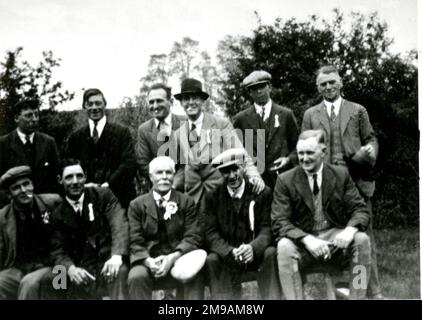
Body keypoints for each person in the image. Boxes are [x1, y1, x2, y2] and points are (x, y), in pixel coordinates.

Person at [301, 65, 382, 298]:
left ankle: (371, 291)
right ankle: (341, 291)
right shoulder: (310, 115)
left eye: (332, 82)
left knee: (364, 239)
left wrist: (370, 151)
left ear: (341, 82)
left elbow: (371, 138)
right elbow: (304, 147)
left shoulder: (358, 111)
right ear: (318, 88)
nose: (328, 87)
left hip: (357, 184)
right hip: (327, 188)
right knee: (336, 237)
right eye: (323, 84)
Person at [272, 130, 371, 300]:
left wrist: (349, 231)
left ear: (323, 152)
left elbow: (360, 209)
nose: (304, 158)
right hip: (304, 244)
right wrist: (306, 239)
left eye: (310, 152)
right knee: (284, 247)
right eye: (300, 153)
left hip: (336, 241)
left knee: (361, 240)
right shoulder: (285, 180)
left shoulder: (340, 175)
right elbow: (279, 220)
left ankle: (357, 296)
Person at [170, 78, 265, 206]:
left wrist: (254, 176)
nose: (190, 103)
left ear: (202, 100)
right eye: (186, 98)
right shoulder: (178, 134)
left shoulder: (221, 124)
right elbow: (180, 169)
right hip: (193, 201)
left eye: (195, 98)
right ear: (181, 103)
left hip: (220, 198)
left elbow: (240, 154)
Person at [203, 148, 281, 300]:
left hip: (255, 255)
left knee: (270, 253)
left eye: (235, 169)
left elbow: (267, 228)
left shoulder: (261, 192)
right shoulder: (213, 196)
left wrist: (253, 248)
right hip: (228, 257)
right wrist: (229, 252)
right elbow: (210, 232)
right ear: (220, 173)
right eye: (226, 172)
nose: (232, 176)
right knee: (212, 260)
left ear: (243, 167)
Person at [49, 159, 129, 299]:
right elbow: (57, 250)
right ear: (59, 180)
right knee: (58, 275)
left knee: (120, 271)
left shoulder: (102, 196)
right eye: (69, 177)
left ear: (85, 177)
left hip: (106, 262)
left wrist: (116, 256)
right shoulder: (57, 213)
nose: (75, 181)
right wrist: (71, 269)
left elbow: (118, 223)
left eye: (79, 176)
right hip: (79, 267)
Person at [127, 156, 205, 300]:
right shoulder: (136, 205)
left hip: (178, 258)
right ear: (151, 177)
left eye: (168, 173)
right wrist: (148, 262)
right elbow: (135, 241)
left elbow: (193, 236)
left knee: (195, 274)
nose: (164, 177)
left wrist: (172, 258)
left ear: (174, 175)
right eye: (159, 173)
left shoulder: (186, 202)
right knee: (136, 277)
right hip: (148, 261)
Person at [66, 88, 138, 208]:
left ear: (105, 104)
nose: (94, 108)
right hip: (85, 199)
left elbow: (129, 164)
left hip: (118, 199)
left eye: (98, 103)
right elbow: (69, 166)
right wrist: (84, 186)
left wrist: (108, 184)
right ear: (84, 106)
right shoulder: (76, 138)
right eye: (90, 104)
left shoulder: (122, 133)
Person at [0, 166, 61, 299]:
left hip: (54, 267)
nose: (23, 190)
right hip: (19, 268)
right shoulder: (3, 217)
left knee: (30, 284)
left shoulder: (53, 203)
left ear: (32, 185)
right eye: (16, 188)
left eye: (26, 184)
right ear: (9, 194)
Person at [233, 70, 299, 189]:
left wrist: (288, 159)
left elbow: (297, 146)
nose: (259, 91)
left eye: (262, 86)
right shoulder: (241, 119)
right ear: (249, 92)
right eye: (254, 88)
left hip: (283, 179)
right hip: (255, 182)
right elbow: (236, 150)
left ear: (270, 87)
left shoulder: (286, 114)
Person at [0, 99, 60, 207]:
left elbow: (56, 177)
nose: (34, 119)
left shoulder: (48, 142)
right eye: (28, 116)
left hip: (44, 205)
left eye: (36, 115)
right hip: (14, 206)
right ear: (16, 118)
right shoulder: (3, 144)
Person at [135, 83, 187, 193]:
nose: (155, 106)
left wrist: (174, 184)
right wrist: (162, 183)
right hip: (157, 189)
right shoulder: (144, 130)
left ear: (171, 102)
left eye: (159, 101)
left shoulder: (185, 124)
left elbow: (189, 161)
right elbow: (143, 163)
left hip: (185, 190)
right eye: (151, 102)